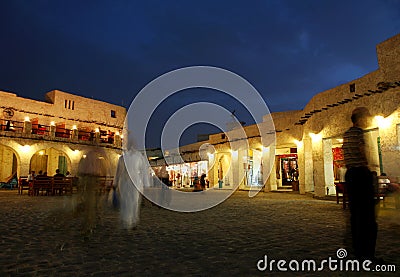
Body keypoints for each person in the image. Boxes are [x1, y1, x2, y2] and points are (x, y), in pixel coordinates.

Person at [342, 107, 379, 262]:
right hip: (361, 174)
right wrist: (371, 166)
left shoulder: (346, 135)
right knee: (368, 216)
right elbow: (362, 150)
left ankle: (357, 251)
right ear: (360, 119)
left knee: (355, 214)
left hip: (350, 174)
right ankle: (368, 254)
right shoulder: (359, 133)